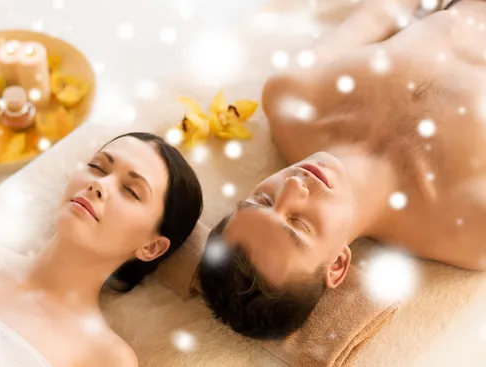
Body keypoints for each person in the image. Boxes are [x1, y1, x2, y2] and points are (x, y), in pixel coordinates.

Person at [198, 0, 486, 340]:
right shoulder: (469, 226)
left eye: (261, 200)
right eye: (299, 224)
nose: (294, 186)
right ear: (337, 265)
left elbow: (384, 11)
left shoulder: (292, 98)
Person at [0, 132, 203, 366]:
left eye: (131, 191)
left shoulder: (106, 357)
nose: (99, 185)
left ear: (150, 247)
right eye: (97, 167)